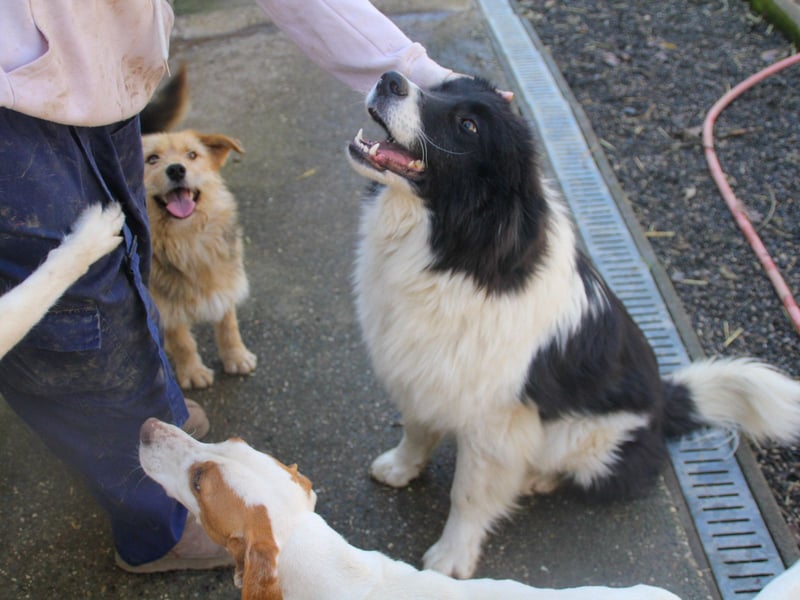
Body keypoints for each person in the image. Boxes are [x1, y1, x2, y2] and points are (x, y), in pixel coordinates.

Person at [0, 0, 455, 573]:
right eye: (166, 158)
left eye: (191, 156)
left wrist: (418, 69)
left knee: (123, 264)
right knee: (75, 321)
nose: (178, 167)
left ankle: (150, 408)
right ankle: (156, 527)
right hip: (11, 114)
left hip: (103, 81)